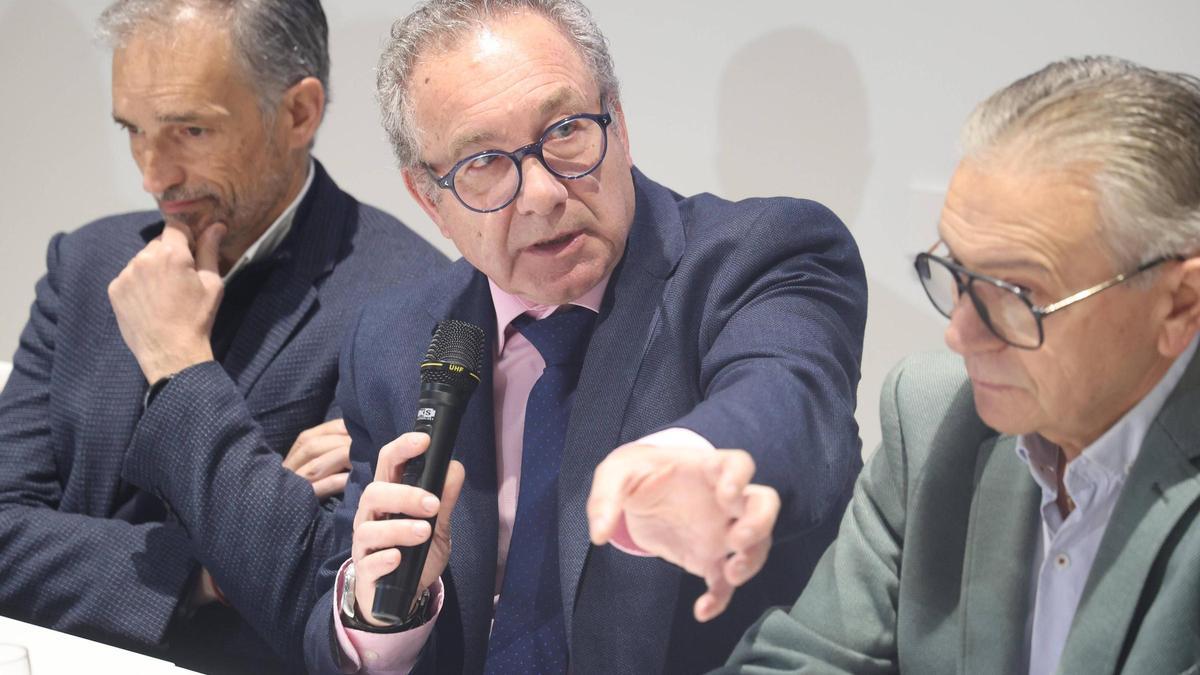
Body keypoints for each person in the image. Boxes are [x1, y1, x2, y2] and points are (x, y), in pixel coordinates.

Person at [302, 1, 868, 673]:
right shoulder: (393, 338)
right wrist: (380, 612)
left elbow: (790, 393)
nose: (541, 192)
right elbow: (344, 589)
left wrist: (697, 458)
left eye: (566, 128)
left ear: (619, 124)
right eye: (484, 161)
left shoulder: (759, 255)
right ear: (430, 201)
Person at [0, 1, 444, 673]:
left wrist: (179, 364)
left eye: (189, 130)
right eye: (133, 130)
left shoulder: (409, 298)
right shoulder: (86, 262)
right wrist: (209, 570)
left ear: (299, 112)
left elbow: (321, 592)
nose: (154, 174)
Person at [720, 56, 1200, 674]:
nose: (958, 333)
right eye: (957, 274)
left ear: (1179, 304)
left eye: (1018, 294)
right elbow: (802, 662)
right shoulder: (933, 418)